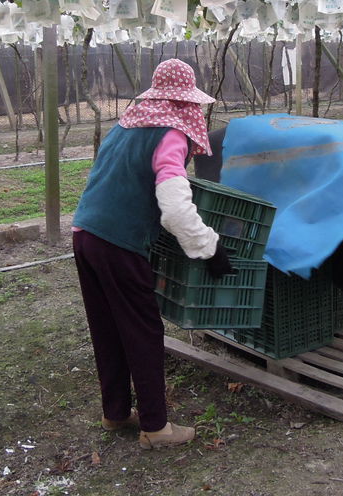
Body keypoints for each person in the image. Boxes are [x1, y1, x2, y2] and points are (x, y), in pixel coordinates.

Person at [71, 58, 233, 450]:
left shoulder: (126, 125)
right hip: (118, 244)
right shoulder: (170, 135)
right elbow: (175, 206)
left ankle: (115, 412)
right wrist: (208, 247)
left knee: (107, 327)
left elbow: (125, 183)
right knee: (142, 330)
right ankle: (157, 427)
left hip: (85, 234)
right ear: (186, 103)